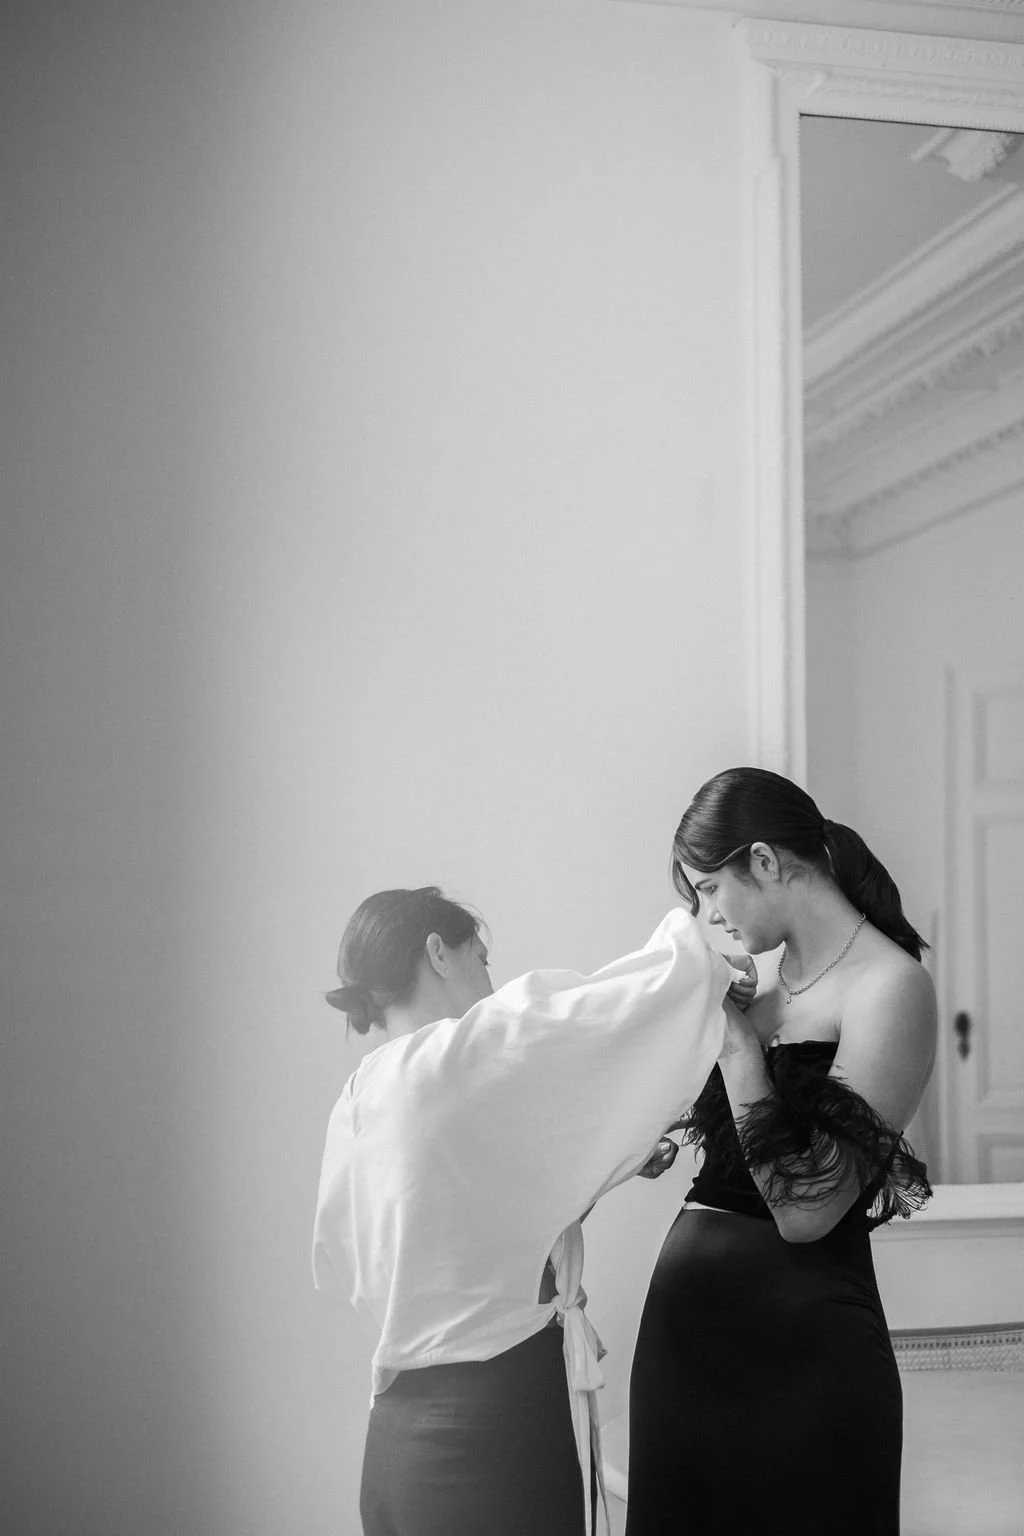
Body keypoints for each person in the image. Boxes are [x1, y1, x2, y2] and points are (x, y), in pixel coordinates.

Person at [312, 885, 753, 1536]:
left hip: (398, 1433)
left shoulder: (365, 1093)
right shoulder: (468, 1049)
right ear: (438, 952)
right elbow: (620, 1003)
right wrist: (710, 959)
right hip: (491, 1422)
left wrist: (617, 1164)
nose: (490, 980)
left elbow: (470, 1227)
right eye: (480, 957)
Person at [625, 767, 937, 1536]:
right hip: (685, 1348)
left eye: (707, 889)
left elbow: (807, 1208)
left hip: (804, 1360)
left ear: (763, 861)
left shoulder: (890, 988)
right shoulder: (765, 991)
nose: (705, 915)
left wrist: (735, 1045)